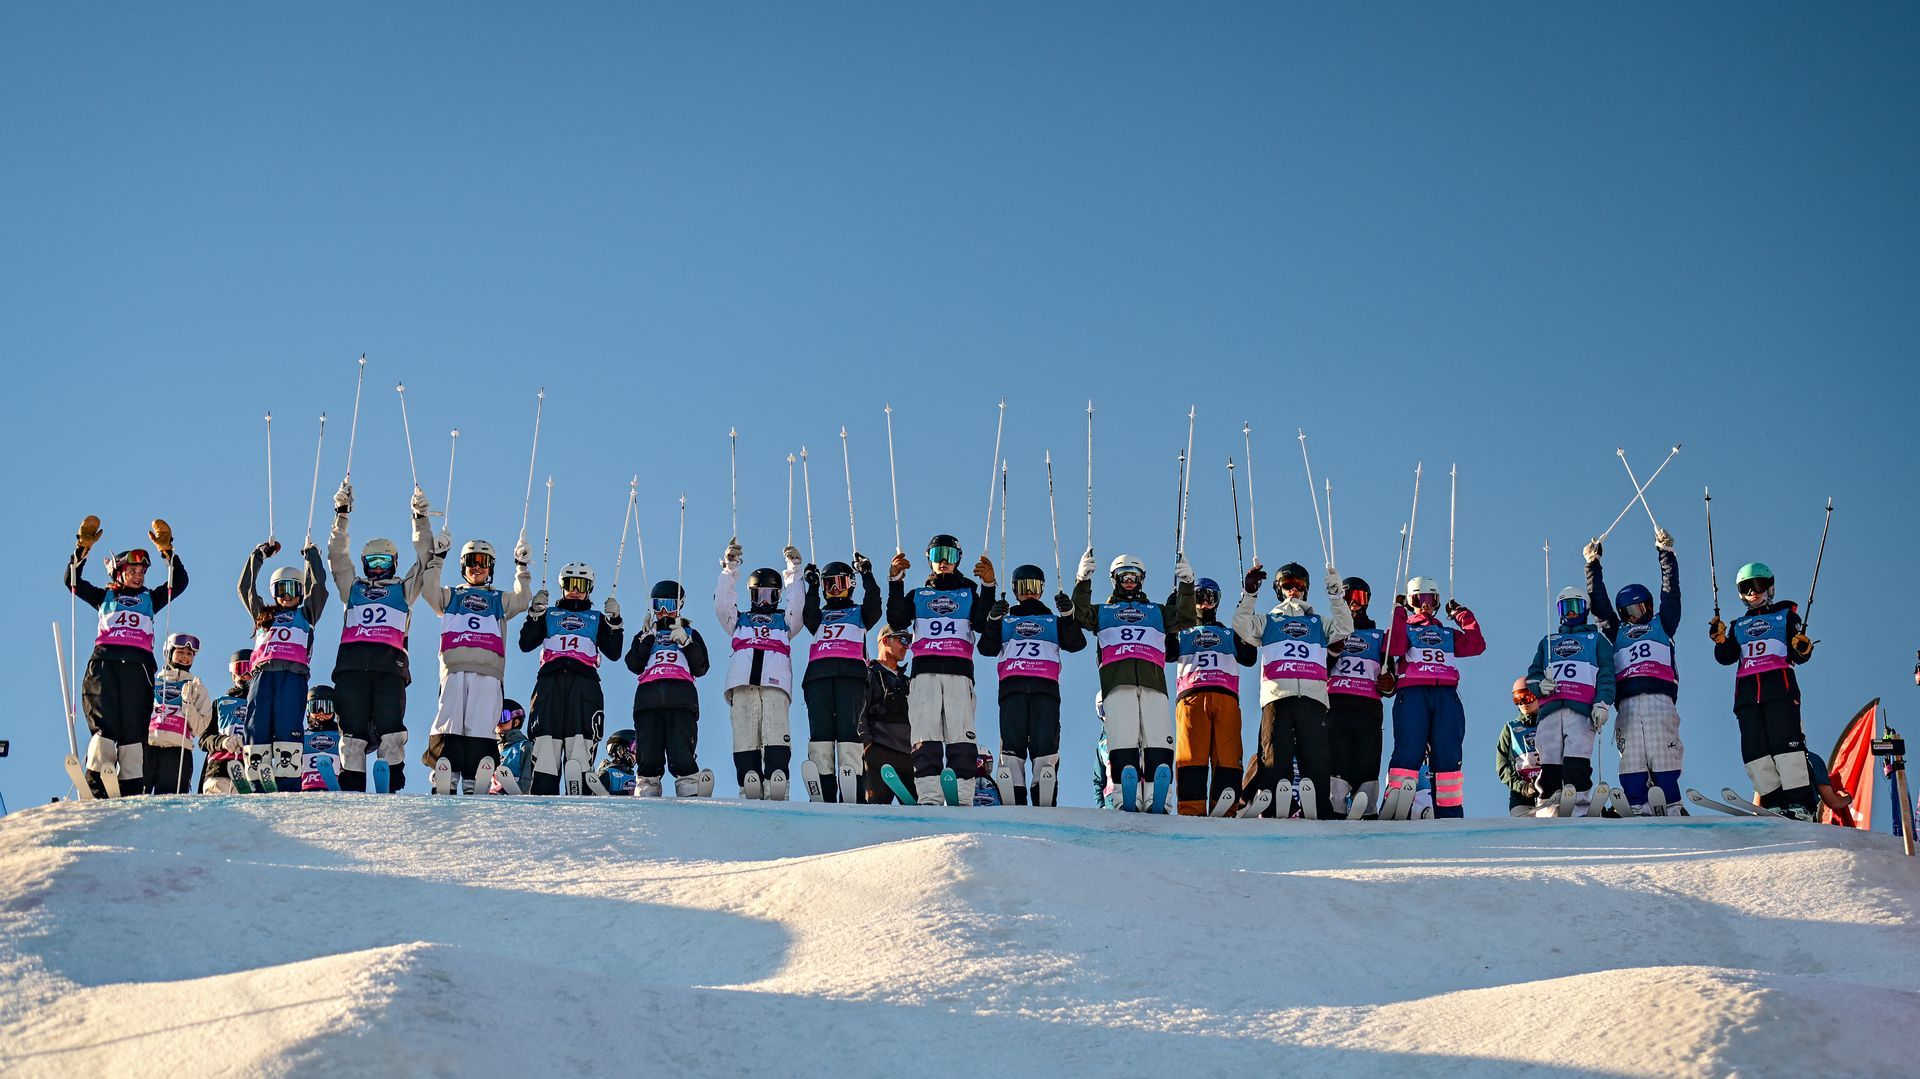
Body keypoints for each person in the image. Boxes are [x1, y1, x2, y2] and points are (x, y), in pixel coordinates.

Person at [326, 480, 440, 791]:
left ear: (393, 564)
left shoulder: (403, 589)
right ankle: (352, 777)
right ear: (365, 564)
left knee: (391, 725)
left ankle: (391, 776)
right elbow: (337, 557)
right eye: (373, 563)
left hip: (389, 666)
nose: (378, 569)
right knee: (351, 727)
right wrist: (342, 515)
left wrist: (420, 519)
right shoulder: (354, 588)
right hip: (351, 666)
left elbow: (425, 559)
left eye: (384, 563)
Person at [65, 515, 189, 796]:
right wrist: (82, 548)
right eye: (132, 570)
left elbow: (179, 582)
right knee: (104, 722)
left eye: (142, 571)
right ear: (119, 573)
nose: (139, 575)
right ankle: (97, 779)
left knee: (134, 726)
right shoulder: (103, 597)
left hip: (138, 667)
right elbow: (71, 580)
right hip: (105, 663)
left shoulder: (150, 598)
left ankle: (132, 786)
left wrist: (167, 551)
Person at [1073, 549, 1197, 812]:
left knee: (1157, 736)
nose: (1129, 581)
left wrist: (1187, 586)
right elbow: (1080, 615)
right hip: (1117, 681)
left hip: (1153, 681)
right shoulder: (1105, 611)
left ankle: (1157, 797)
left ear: (1142, 579)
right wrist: (1082, 581)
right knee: (1122, 736)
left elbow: (1186, 619)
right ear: (1114, 579)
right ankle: (1121, 795)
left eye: (1134, 576)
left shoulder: (1157, 611)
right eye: (1123, 576)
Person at [1234, 560, 1352, 819]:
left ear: (1306, 589)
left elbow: (1345, 627)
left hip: (1312, 696)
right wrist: (1250, 594)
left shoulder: (1318, 622)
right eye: (1288, 585)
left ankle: (1319, 806)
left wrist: (1336, 596)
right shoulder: (1268, 621)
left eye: (1299, 585)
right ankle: (1274, 804)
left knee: (1316, 755)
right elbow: (1241, 626)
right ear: (1278, 589)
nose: (1293, 590)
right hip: (1278, 695)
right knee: (1275, 752)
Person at [419, 532, 535, 790]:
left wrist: (522, 567)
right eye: (471, 561)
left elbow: (522, 600)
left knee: (480, 724)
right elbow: (429, 592)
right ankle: (446, 774)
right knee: (450, 720)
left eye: (483, 562)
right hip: (455, 667)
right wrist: (438, 558)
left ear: (491, 567)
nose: (477, 567)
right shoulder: (452, 595)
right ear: (463, 566)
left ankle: (475, 777)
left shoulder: (498, 598)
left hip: (488, 671)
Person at [887, 534, 996, 806]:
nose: (943, 561)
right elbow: (896, 619)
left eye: (949, 554)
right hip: (924, 673)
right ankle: (929, 795)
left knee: (961, 732)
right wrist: (896, 581)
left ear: (958, 558)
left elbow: (983, 624)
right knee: (926, 732)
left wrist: (989, 585)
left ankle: (962, 794)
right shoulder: (919, 594)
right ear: (929, 560)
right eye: (937, 555)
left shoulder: (968, 591)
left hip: (959, 672)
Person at [1586, 531, 1685, 815]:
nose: (1634, 615)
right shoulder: (1616, 631)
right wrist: (1592, 565)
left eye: (1639, 608)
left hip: (1659, 699)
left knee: (1663, 751)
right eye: (1627, 611)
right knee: (1632, 756)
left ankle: (1672, 803)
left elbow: (1671, 592)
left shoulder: (1662, 623)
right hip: (1627, 703)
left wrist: (1665, 553)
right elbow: (1599, 605)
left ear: (1649, 607)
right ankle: (1636, 803)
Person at [1711, 561, 1817, 818]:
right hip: (1747, 695)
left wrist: (1803, 648)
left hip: (1779, 688)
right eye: (1747, 588)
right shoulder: (1738, 625)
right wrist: (1721, 639)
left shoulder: (1785, 616)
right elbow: (1726, 657)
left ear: (1770, 588)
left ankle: (1800, 803)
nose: (1753, 592)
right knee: (1755, 751)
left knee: (1786, 746)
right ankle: (1772, 802)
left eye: (1758, 586)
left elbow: (1797, 652)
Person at [977, 563, 1087, 806]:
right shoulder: (1007, 620)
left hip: (1044, 688)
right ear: (1015, 590)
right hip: (1012, 689)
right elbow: (985, 648)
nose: (1029, 592)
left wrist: (1068, 616)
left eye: (1034, 586)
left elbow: (1077, 643)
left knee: (1044, 739)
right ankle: (1014, 789)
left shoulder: (1053, 620)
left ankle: (1043, 787)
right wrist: (994, 620)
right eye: (1023, 586)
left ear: (1041, 589)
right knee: (1013, 741)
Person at [1383, 575, 1486, 818]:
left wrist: (1461, 613)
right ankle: (1397, 801)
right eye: (1419, 599)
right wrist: (1398, 613)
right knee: (1409, 748)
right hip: (1413, 693)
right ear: (1411, 601)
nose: (1425, 604)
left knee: (1448, 752)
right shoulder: (1405, 627)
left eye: (1430, 599)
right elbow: (1394, 647)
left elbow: (1476, 644)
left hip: (1446, 695)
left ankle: (1448, 810)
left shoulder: (1447, 633)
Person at [518, 561, 624, 794]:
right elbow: (526, 643)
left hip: (584, 684)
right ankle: (543, 792)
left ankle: (581, 787)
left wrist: (615, 622)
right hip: (549, 683)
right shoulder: (549, 614)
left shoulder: (597, 618)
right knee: (546, 742)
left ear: (590, 588)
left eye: (581, 584)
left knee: (580, 741)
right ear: (562, 586)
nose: (575, 589)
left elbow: (614, 653)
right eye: (570, 583)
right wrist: (535, 614)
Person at [716, 541, 806, 799]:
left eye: (769, 595)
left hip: (774, 682)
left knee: (775, 730)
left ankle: (777, 780)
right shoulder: (740, 620)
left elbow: (798, 606)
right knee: (745, 732)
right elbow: (722, 605)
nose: (764, 602)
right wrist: (729, 568)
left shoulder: (784, 621)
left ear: (778, 596)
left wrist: (794, 571)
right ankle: (749, 781)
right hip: (743, 682)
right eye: (758, 596)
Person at [238, 538, 329, 792]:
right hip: (263, 675)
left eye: (293, 589)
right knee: (258, 722)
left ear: (300, 592)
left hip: (294, 675)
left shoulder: (306, 613)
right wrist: (258, 556)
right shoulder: (263, 615)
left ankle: (288, 782)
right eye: (281, 589)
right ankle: (257, 777)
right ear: (274, 592)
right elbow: (245, 588)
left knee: (288, 724)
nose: (287, 595)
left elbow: (319, 587)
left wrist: (312, 558)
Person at [1525, 586, 1616, 817]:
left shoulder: (1596, 639)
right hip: (1551, 708)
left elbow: (1606, 675)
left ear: (1585, 609)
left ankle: (1579, 804)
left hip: (1581, 708)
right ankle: (1548, 804)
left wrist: (1602, 703)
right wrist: (1538, 685)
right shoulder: (1548, 641)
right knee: (1549, 758)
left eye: (1576, 606)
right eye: (1566, 607)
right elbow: (1533, 673)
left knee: (1577, 757)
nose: (1571, 613)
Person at [1169, 577, 1256, 815]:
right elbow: (1167, 652)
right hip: (1192, 696)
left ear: (1217, 602)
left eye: (1211, 598)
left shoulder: (1228, 633)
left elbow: (1249, 657)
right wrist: (1171, 617)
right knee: (1191, 755)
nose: (1205, 604)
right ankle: (1191, 808)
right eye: (1200, 598)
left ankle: (1224, 806)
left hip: (1225, 696)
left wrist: (1245, 625)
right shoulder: (1183, 632)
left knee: (1228, 754)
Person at [801, 554, 882, 802]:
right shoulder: (819, 616)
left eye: (841, 583)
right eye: (829, 584)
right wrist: (812, 587)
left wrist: (867, 574)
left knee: (848, 729)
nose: (835, 589)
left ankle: (853, 783)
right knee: (822, 730)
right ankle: (824, 784)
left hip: (851, 675)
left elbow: (875, 605)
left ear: (850, 585)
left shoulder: (859, 613)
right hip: (818, 676)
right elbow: (808, 615)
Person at [625, 580, 713, 798]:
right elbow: (633, 665)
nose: (664, 611)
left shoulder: (689, 632)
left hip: (681, 699)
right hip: (648, 700)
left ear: (680, 605)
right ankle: (647, 789)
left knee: (681, 749)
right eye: (658, 605)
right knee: (648, 751)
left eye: (669, 604)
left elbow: (701, 667)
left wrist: (686, 642)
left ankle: (689, 787)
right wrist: (644, 641)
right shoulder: (646, 633)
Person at [1327, 576, 1395, 817]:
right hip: (1337, 704)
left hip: (1368, 707)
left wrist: (1388, 684)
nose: (1353, 604)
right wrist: (1332, 652)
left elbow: (1390, 680)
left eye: (1359, 598)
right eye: (1348, 598)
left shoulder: (1379, 636)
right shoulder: (1331, 631)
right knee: (1339, 758)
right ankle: (1335, 803)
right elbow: (1319, 669)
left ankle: (1366, 803)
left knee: (1367, 759)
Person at [145, 632, 213, 795]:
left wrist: (187, 704)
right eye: (180, 652)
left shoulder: (197, 687)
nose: (185, 657)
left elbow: (200, 728)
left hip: (178, 752)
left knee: (170, 806)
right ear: (168, 652)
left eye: (189, 654)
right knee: (136, 797)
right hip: (148, 747)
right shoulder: (152, 681)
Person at [860, 626, 915, 805]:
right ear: (885, 640)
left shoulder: (909, 681)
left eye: (909, 641)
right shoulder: (868, 674)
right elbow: (860, 711)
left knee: (920, 816)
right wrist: (867, 745)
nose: (907, 646)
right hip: (878, 754)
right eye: (903, 640)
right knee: (876, 816)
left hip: (909, 757)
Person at [200, 648, 252, 794]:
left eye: (250, 670)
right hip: (220, 770)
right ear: (233, 673)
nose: (245, 675)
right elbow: (204, 739)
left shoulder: (262, 706)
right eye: (240, 669)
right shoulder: (221, 703)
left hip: (249, 771)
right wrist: (222, 741)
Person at [1497, 677, 1543, 816]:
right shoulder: (1511, 728)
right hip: (1522, 790)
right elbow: (1502, 765)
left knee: (1551, 825)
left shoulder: (1550, 722)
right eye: (1518, 698)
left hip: (1549, 785)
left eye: (1527, 697)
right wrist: (1523, 788)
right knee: (1523, 829)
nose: (1523, 703)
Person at [300, 685, 342, 791]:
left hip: (335, 787)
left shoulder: (340, 735)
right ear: (308, 710)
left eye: (326, 707)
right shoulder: (303, 735)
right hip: (306, 787)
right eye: (315, 707)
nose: (321, 712)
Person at [492, 699, 533, 794]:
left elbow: (528, 776)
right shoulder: (490, 747)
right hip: (492, 796)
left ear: (516, 722)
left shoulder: (524, 746)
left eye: (503, 716)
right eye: (495, 717)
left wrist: (522, 792)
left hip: (514, 792)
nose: (498, 722)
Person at [591, 729, 640, 795]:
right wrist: (627, 794)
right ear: (620, 750)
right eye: (634, 748)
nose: (637, 754)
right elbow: (596, 796)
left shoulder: (637, 778)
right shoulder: (608, 773)